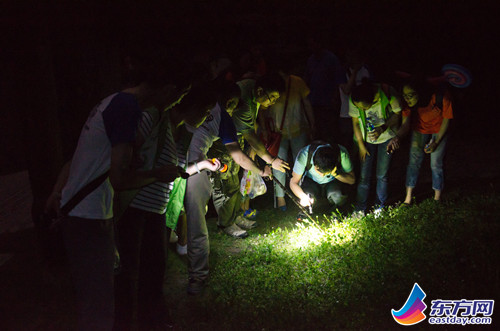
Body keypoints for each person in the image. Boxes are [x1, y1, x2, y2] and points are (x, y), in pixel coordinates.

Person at [44, 52, 186, 331]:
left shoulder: (108, 102)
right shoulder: (127, 108)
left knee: (96, 300)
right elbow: (119, 180)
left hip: (83, 213)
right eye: (177, 96)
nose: (174, 104)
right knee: (99, 306)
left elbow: (79, 157)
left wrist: (57, 190)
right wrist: (158, 174)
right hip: (90, 218)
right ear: (167, 90)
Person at [113, 84, 220, 329]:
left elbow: (176, 172)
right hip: (136, 208)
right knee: (132, 275)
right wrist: (152, 172)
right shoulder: (154, 119)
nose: (206, 118)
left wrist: (202, 165)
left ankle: (153, 320)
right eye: (205, 111)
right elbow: (125, 160)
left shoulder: (180, 133)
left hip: (157, 212)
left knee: (153, 273)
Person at [184, 81, 272, 294]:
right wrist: (261, 171)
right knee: (196, 223)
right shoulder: (223, 116)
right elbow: (238, 156)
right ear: (231, 101)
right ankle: (198, 277)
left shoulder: (191, 103)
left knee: (178, 217)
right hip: (195, 170)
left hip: (177, 162)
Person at [386, 79, 453, 204]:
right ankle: (408, 198)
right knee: (413, 162)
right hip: (419, 129)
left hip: (438, 130)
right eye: (404, 95)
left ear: (420, 92)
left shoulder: (441, 96)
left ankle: (437, 198)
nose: (407, 99)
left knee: (436, 163)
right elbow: (405, 123)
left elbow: (447, 119)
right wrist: (396, 138)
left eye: (410, 95)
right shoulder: (407, 103)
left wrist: (436, 141)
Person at [265, 60, 315, 211]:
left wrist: (312, 124)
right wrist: (265, 129)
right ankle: (281, 199)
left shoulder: (297, 82)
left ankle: (302, 196)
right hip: (277, 132)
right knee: (278, 164)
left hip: (297, 129)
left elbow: (306, 103)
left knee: (300, 164)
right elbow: (263, 109)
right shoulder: (272, 83)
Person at [349, 80, 402, 216]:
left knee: (382, 175)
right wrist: (360, 145)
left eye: (365, 108)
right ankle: (360, 209)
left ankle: (379, 207)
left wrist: (382, 128)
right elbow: (355, 123)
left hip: (387, 138)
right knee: (364, 176)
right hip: (367, 141)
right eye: (358, 107)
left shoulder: (388, 94)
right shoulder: (355, 97)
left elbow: (398, 114)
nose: (362, 110)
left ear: (372, 99)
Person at [289, 143, 355, 217]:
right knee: (308, 195)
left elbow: (352, 180)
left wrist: (335, 174)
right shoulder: (305, 155)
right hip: (311, 181)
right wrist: (303, 196)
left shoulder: (341, 153)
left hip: (332, 182)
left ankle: (336, 211)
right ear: (314, 164)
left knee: (338, 196)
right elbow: (293, 182)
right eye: (319, 171)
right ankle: (306, 212)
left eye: (326, 173)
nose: (322, 175)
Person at [304, 33, 344, 141]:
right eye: (310, 45)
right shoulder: (311, 59)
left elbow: (338, 80)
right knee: (316, 129)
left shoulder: (331, 59)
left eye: (313, 44)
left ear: (319, 44)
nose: (311, 47)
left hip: (328, 102)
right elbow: (307, 80)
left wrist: (335, 99)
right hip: (313, 101)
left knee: (329, 130)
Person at [338, 47, 373, 153]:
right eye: (350, 56)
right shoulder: (342, 71)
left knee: (360, 144)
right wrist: (355, 72)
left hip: (363, 112)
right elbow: (347, 90)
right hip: (346, 113)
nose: (353, 59)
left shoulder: (366, 70)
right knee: (346, 144)